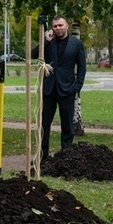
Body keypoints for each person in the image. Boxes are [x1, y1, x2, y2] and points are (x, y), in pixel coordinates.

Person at [31, 15, 87, 157]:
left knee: (67, 125)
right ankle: (42, 155)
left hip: (67, 89)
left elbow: (82, 67)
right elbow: (34, 54)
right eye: (55, 26)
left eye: (60, 25)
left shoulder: (76, 44)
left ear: (67, 26)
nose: (58, 28)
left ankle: (66, 156)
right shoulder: (49, 42)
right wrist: (46, 41)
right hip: (49, 89)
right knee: (44, 124)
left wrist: (77, 87)